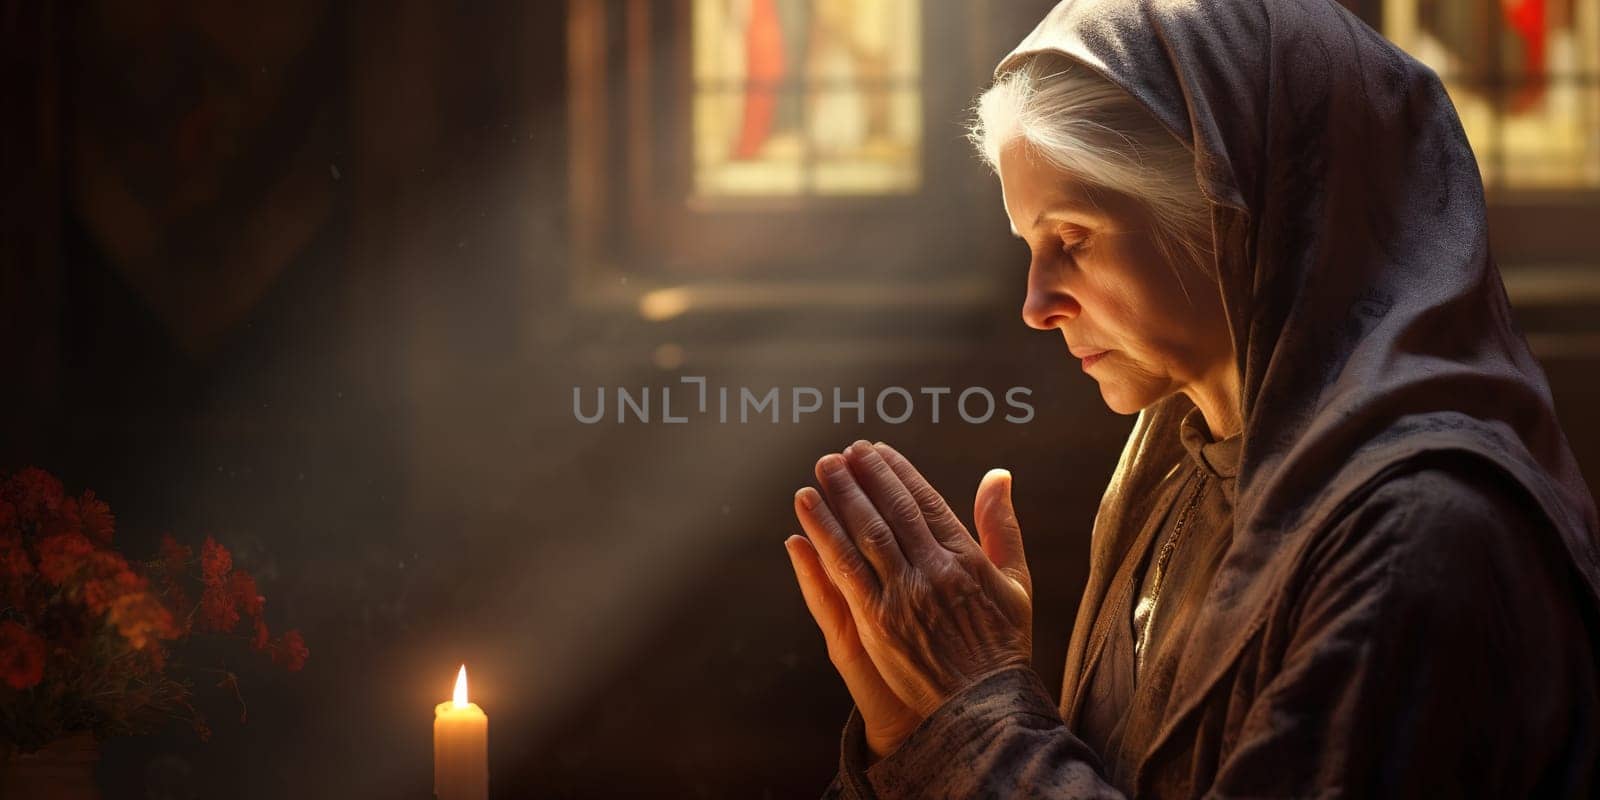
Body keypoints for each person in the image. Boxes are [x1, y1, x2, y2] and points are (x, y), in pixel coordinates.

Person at [780, 0, 1600, 797]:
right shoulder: (1175, 460)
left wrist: (975, 724)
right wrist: (916, 737)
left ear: (1235, 211)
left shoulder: (1420, 530)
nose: (1036, 304)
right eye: (1031, 246)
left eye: (1072, 238)